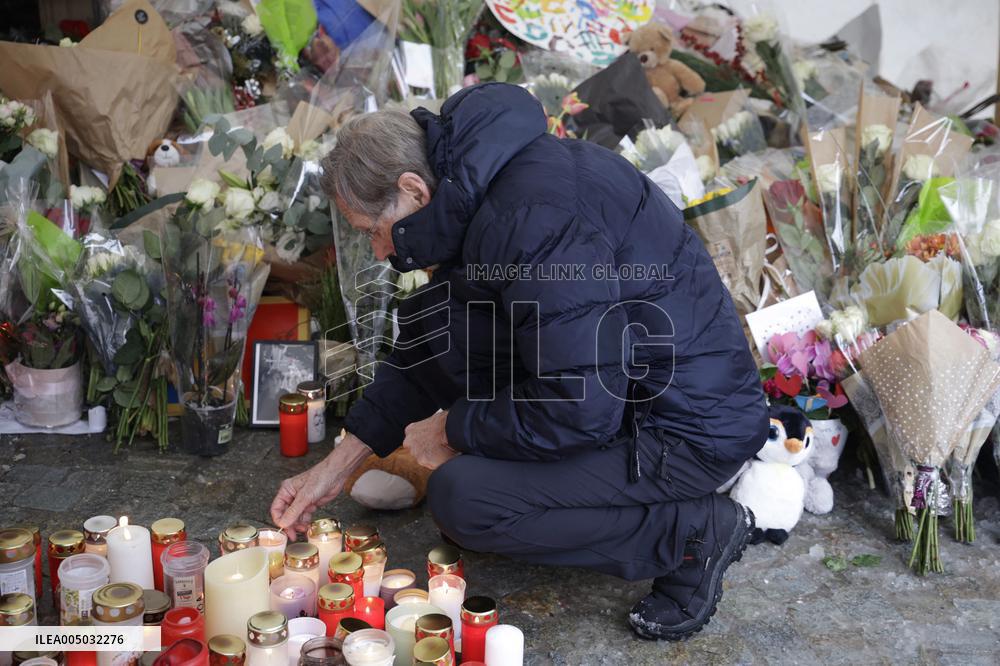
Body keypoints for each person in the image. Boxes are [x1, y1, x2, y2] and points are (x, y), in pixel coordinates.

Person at [270, 83, 768, 641]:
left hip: (684, 429)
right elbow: (437, 345)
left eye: (373, 232)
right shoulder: (482, 189)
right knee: (453, 366)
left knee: (468, 499)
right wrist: (336, 467)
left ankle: (690, 534)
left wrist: (454, 429)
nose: (382, 252)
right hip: (632, 396)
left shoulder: (532, 220)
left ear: (412, 189)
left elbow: (579, 406)